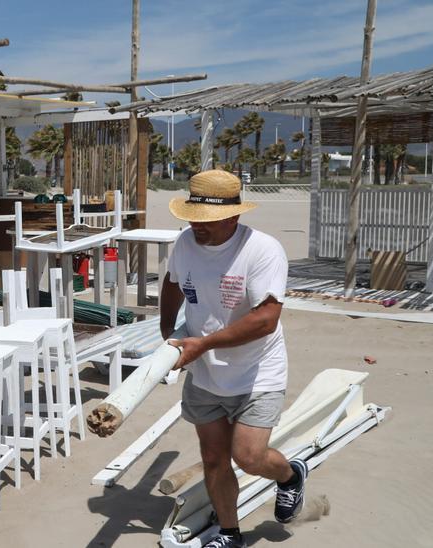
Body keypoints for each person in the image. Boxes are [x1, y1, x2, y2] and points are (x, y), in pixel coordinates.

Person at [159, 170, 306, 548]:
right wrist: (166, 331)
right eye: (193, 217)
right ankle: (230, 533)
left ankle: (289, 476)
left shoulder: (262, 250)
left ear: (234, 217)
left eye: (206, 220)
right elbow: (174, 281)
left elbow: (266, 321)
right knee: (213, 459)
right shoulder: (186, 243)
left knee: (249, 457)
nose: (197, 226)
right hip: (205, 373)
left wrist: (202, 344)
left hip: (257, 373)